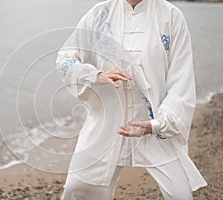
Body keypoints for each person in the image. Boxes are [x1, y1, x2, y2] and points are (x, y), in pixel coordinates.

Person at [56, 0, 207, 199]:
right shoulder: (99, 14)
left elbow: (181, 82)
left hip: (155, 125)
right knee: (77, 190)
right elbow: (65, 59)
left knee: (180, 195)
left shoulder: (171, 16)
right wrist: (95, 75)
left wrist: (156, 125)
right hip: (106, 125)